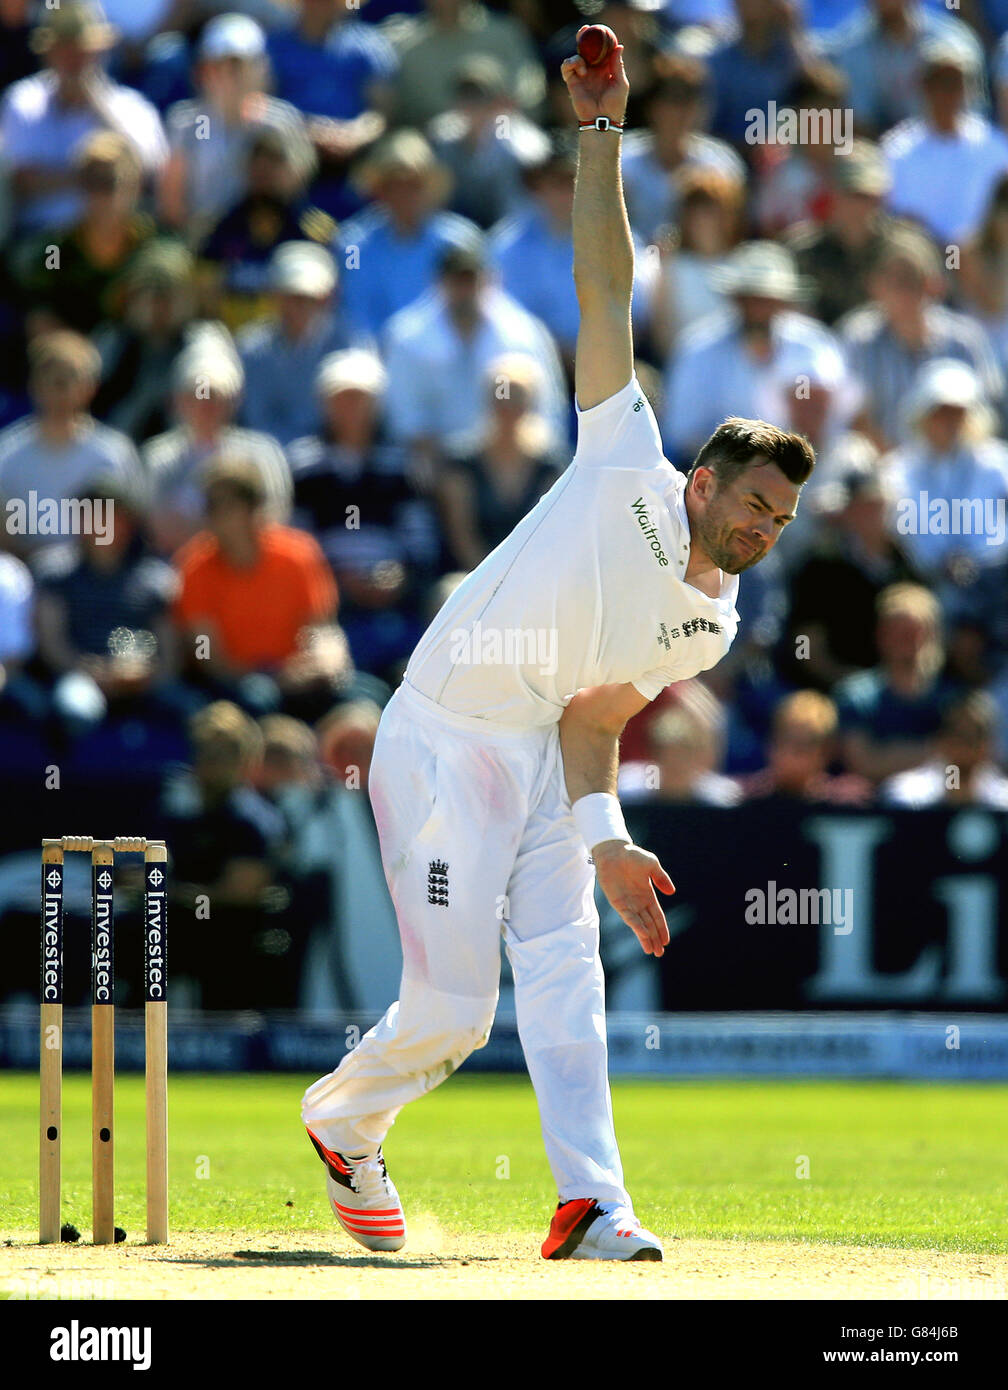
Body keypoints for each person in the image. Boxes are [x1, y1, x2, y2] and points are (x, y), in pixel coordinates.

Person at [300, 32, 815, 1264]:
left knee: (570, 976)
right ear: (703, 483)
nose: (761, 529)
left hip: (540, 754)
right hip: (439, 736)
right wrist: (602, 132)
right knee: (451, 1011)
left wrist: (611, 841)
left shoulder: (713, 620)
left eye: (780, 520)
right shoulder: (621, 457)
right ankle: (342, 1118)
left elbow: (593, 718)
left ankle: (594, 1205)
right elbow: (608, 290)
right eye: (751, 503)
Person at [0, 0, 167, 235]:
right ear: (48, 52)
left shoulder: (130, 106)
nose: (73, 58)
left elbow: (149, 172)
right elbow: (22, 182)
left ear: (100, 50)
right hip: (43, 240)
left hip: (117, 241)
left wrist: (96, 104)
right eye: (64, 48)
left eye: (82, 48)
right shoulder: (23, 101)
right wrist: (95, 180)